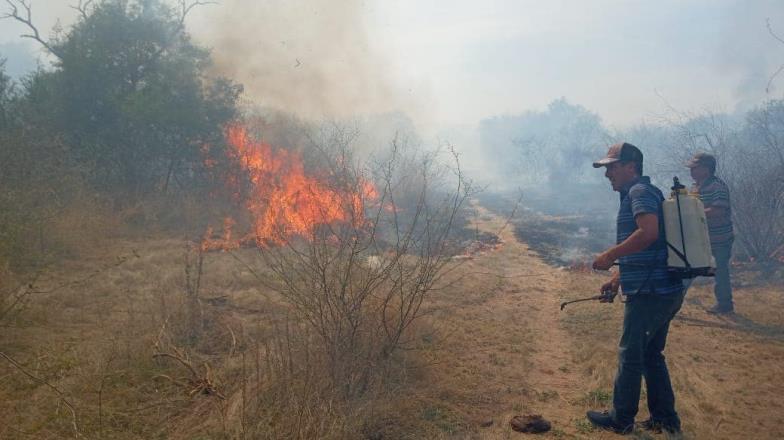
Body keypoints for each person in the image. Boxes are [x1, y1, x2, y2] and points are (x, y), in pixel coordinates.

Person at [585, 142, 685, 435]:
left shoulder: (639, 192)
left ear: (632, 166)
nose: (608, 175)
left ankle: (621, 418)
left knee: (631, 354)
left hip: (650, 291)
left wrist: (610, 256)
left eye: (612, 167)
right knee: (652, 355)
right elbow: (645, 246)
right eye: (607, 169)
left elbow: (649, 234)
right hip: (662, 288)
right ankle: (665, 419)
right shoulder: (641, 193)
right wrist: (617, 280)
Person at [686, 152, 735, 314]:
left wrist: (695, 213)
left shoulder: (717, 186)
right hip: (702, 238)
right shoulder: (695, 187)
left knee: (720, 270)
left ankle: (725, 304)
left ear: (706, 169)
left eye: (695, 168)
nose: (691, 171)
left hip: (720, 238)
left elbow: (718, 210)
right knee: (688, 267)